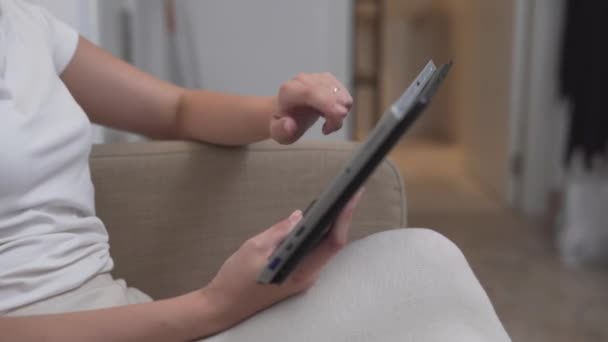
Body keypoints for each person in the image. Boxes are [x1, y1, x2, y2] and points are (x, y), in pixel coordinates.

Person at [0, 1, 511, 341]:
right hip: (88, 326)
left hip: (126, 311)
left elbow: (176, 108)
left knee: (424, 259)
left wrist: (277, 112)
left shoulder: (23, 26)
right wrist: (211, 307)